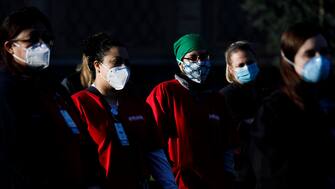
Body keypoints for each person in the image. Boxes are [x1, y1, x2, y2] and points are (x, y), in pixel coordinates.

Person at [0, 7, 94, 188]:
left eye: (47, 39)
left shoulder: (55, 89)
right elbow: (15, 153)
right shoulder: (7, 90)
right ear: (10, 47)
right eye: (33, 39)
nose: (42, 45)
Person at [71, 32, 177, 189]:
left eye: (126, 62)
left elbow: (155, 153)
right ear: (97, 65)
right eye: (116, 62)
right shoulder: (79, 103)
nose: (123, 68)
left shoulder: (138, 106)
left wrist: (170, 186)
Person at [249, 22, 335, 189]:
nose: (320, 59)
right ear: (290, 59)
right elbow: (267, 171)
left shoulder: (328, 101)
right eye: (310, 54)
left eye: (324, 52)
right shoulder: (275, 109)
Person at [146, 33, 234, 189]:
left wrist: (228, 176)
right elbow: (151, 141)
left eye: (204, 56)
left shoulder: (216, 99)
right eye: (193, 58)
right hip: (177, 183)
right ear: (180, 63)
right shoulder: (165, 92)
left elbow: (227, 143)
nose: (200, 62)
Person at [220, 41, 280, 189]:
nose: (246, 67)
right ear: (231, 69)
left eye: (250, 62)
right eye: (240, 65)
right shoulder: (225, 97)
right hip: (241, 173)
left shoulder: (268, 92)